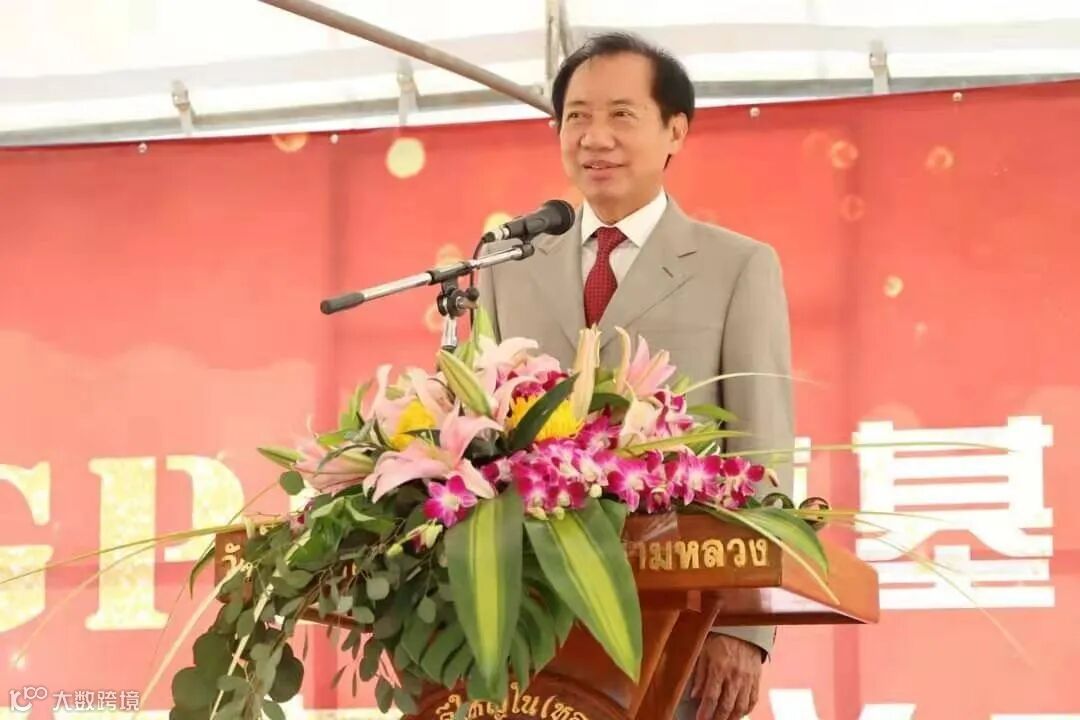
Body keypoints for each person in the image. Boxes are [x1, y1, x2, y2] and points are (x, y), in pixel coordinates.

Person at [476, 31, 794, 720]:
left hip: (680, 620)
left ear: (675, 130)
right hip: (530, 622)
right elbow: (480, 429)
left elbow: (762, 454)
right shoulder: (509, 266)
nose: (596, 137)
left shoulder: (737, 266)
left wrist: (743, 627)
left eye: (622, 114)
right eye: (577, 116)